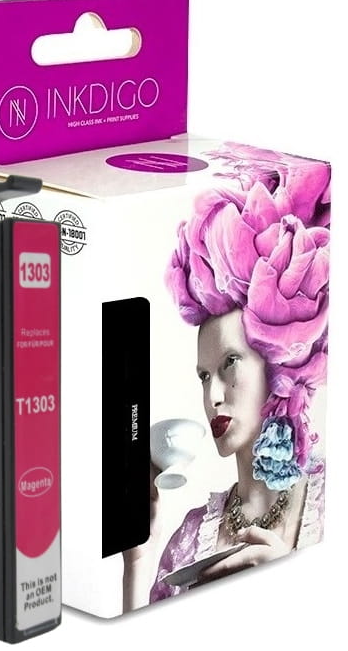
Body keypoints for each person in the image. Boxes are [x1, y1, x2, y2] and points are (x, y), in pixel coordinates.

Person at [122, 144, 330, 612]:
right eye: (203, 375)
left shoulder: (330, 502)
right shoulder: (189, 537)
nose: (212, 395)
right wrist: (136, 559)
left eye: (230, 363)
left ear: (278, 368)